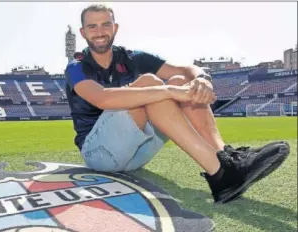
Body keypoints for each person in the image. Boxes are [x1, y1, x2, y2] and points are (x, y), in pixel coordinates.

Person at [64, 4, 290, 204]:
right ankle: (219, 173)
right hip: (100, 154)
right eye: (92, 27)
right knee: (151, 84)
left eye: (105, 24)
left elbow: (185, 70)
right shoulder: (77, 66)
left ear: (115, 28)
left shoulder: (132, 57)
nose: (100, 31)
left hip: (137, 154)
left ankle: (226, 157)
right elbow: (103, 98)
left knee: (182, 81)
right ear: (83, 33)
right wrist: (171, 90)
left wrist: (202, 79)